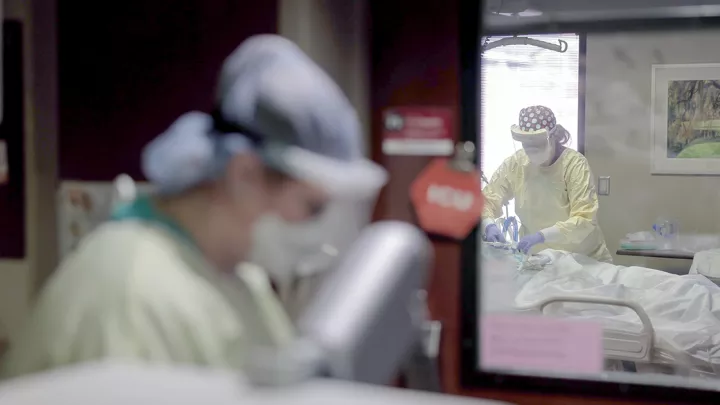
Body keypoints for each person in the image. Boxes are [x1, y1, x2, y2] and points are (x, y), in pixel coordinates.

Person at [1, 35, 387, 378]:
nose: (320, 231)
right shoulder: (133, 294)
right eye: (313, 207)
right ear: (245, 175)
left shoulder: (239, 279)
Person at [482, 105, 612, 263]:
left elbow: (584, 218)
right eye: (526, 145)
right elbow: (487, 199)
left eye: (537, 144)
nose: (531, 151)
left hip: (583, 259)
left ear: (553, 137)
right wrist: (488, 224)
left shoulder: (574, 164)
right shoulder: (516, 163)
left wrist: (542, 236)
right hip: (539, 260)